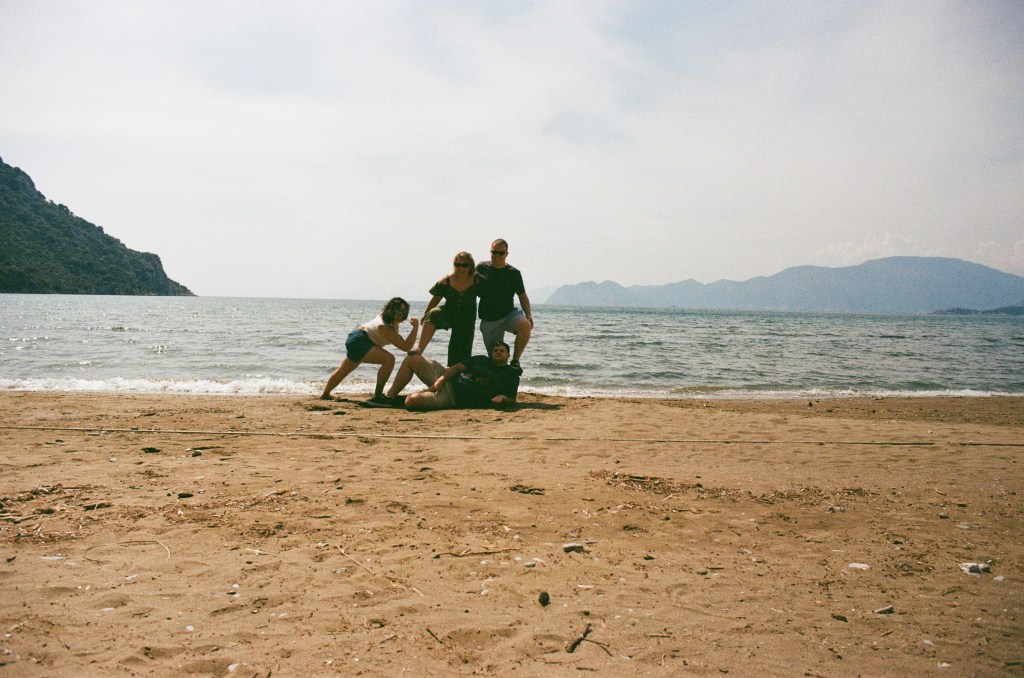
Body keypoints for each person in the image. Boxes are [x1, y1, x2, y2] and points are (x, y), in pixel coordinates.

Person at [320, 297, 419, 402]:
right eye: (401, 312)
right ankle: (378, 395)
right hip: (361, 340)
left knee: (343, 370)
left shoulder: (387, 317)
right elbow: (405, 347)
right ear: (394, 313)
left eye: (404, 312)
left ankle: (325, 394)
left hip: (356, 337)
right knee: (389, 360)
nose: (403, 315)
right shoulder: (386, 328)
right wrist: (415, 328)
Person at [378, 341, 520, 410]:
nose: (498, 352)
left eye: (502, 351)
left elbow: (512, 400)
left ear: (508, 355)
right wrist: (439, 381)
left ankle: (404, 399)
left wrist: (503, 398)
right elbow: (456, 367)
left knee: (411, 401)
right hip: (446, 377)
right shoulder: (481, 359)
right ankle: (389, 397)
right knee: (412, 358)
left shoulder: (510, 374)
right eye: (495, 350)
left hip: (452, 397)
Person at [476, 238, 533, 371]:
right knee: (494, 359)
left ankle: (515, 361)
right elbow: (467, 284)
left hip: (509, 314)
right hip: (489, 319)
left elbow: (522, 295)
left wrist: (528, 314)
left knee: (525, 325)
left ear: (506, 254)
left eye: (501, 253)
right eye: (494, 252)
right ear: (490, 252)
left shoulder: (513, 273)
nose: (497, 256)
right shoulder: (481, 268)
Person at [413, 251, 478, 366]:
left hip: (466, 319)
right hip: (449, 313)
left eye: (464, 265)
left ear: (470, 266)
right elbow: (435, 299)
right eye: (457, 265)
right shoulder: (447, 280)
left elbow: (489, 296)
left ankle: (456, 377)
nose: (461, 268)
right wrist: (425, 316)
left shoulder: (477, 280)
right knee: (433, 313)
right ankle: (419, 349)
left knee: (460, 352)